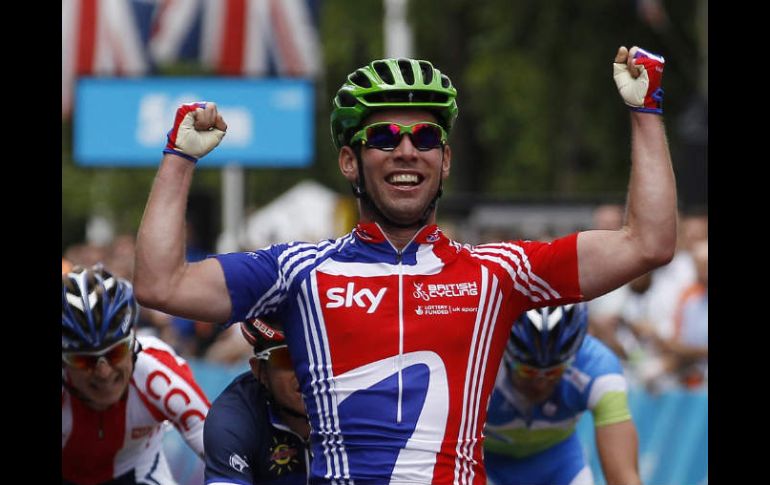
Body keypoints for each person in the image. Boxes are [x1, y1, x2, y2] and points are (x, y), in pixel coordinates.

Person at [134, 46, 676, 483]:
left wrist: (646, 112)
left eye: (425, 137)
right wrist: (179, 160)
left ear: (446, 161)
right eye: (384, 137)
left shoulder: (499, 271)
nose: (406, 150)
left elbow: (647, 243)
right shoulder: (298, 270)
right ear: (351, 160)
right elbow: (161, 284)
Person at [62, 264, 211, 485]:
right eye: (84, 360)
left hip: (136, 470)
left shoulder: (156, 372)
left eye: (115, 352)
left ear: (133, 342)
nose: (104, 372)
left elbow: (223, 457)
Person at [484, 303, 641, 485]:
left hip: (560, 466)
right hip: (482, 461)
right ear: (505, 354)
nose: (540, 384)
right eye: (527, 372)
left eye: (553, 372)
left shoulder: (598, 369)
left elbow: (624, 478)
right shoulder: (475, 368)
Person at [203, 317, 310, 484]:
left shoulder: (358, 395)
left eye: (317, 356)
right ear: (260, 371)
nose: (307, 371)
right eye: (286, 357)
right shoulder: (232, 416)